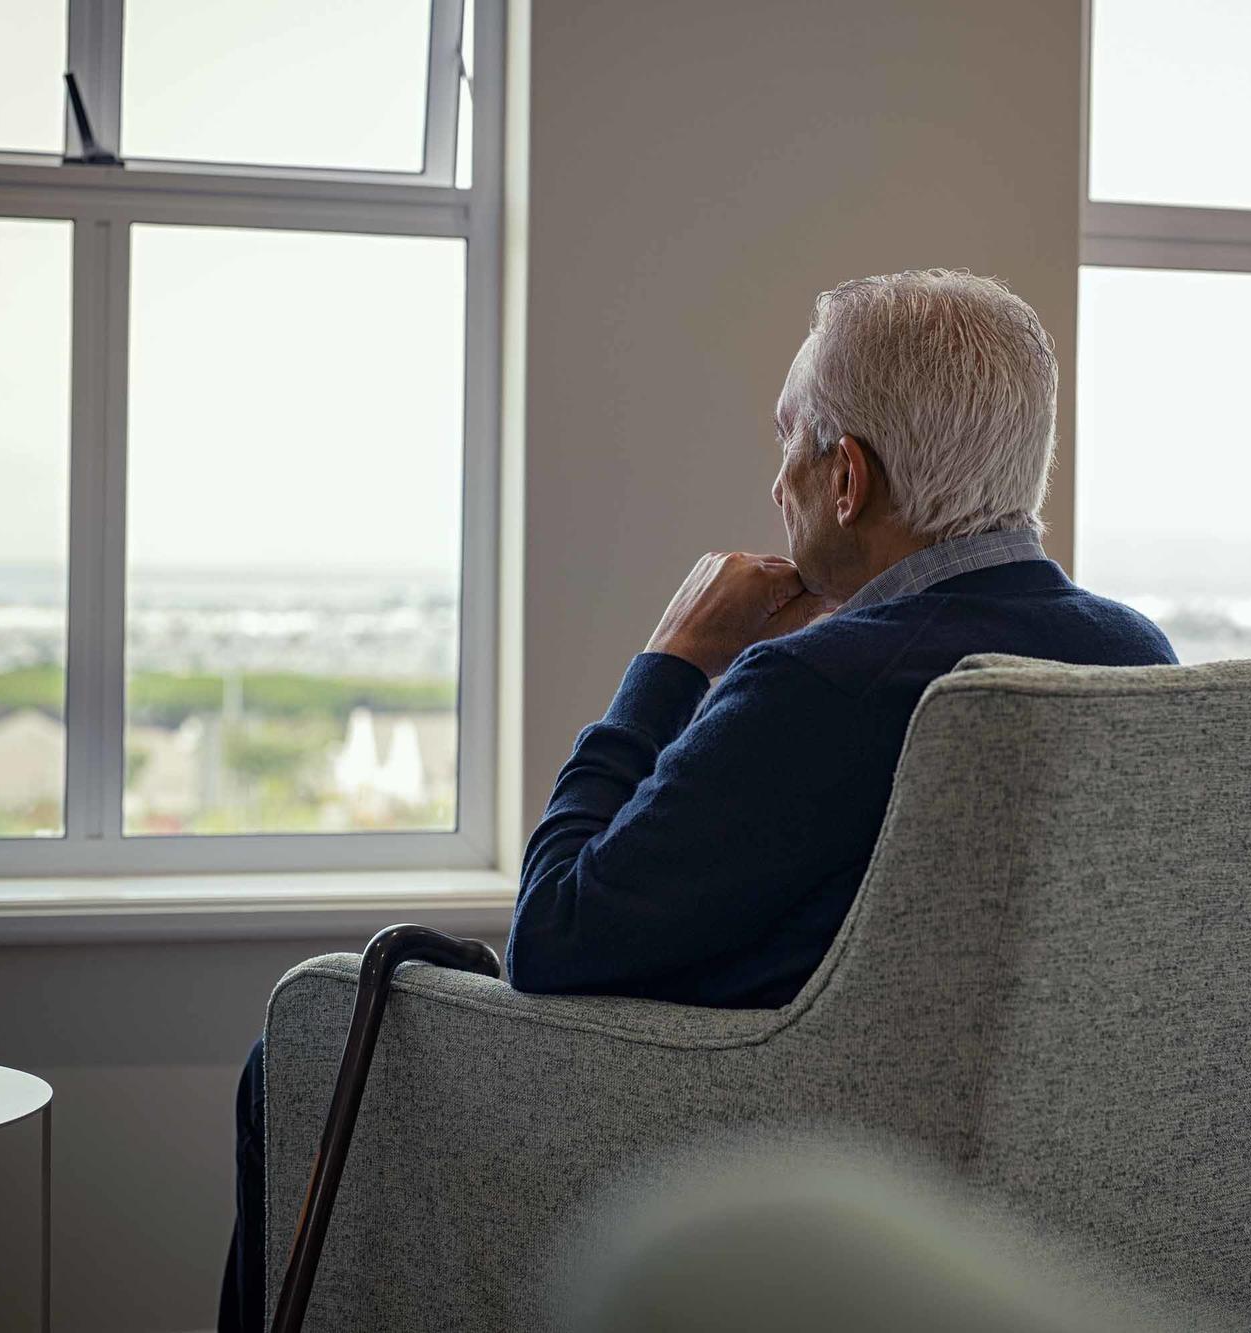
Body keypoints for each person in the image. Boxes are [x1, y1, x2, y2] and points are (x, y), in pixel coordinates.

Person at [219, 270, 1175, 1331]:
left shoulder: (821, 684)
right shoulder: (1135, 657)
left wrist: (671, 659)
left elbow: (553, 937)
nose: (778, 481)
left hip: (761, 1138)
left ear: (846, 477)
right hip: (1015, 1169)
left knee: (296, 1047)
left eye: (788, 443)